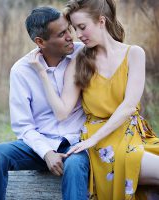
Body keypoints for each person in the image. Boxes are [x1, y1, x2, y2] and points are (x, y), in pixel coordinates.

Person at [30, 0, 159, 199]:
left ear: (101, 21)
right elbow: (62, 112)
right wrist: (42, 74)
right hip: (101, 145)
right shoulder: (80, 61)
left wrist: (93, 139)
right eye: (75, 29)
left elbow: (129, 106)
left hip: (133, 134)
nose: (78, 35)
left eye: (82, 27)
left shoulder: (134, 53)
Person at [0, 6, 89, 200]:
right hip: (38, 145)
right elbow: (23, 126)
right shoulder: (22, 70)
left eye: (69, 29)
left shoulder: (82, 53)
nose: (70, 37)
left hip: (76, 143)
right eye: (61, 34)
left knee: (74, 166)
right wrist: (47, 152)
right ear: (40, 42)